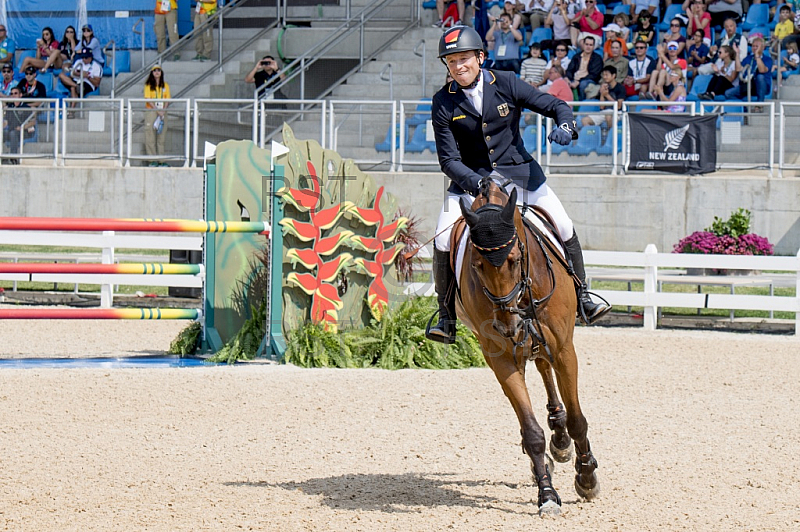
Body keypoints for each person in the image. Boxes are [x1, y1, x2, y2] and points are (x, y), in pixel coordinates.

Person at [426, 26, 610, 343]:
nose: (458, 67)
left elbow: (555, 105)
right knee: (442, 241)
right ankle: (446, 318)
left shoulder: (507, 82)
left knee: (563, 225)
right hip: (473, 182)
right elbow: (448, 160)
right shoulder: (443, 102)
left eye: (464, 59)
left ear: (480, 57)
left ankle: (583, 297)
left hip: (521, 175)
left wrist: (566, 125)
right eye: (452, 61)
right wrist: (477, 182)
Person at [723, 35, 772, 103]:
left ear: (763, 48)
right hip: (747, 85)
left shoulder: (767, 59)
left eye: (757, 46)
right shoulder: (748, 58)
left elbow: (762, 70)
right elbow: (738, 69)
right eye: (753, 46)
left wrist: (757, 56)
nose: (754, 48)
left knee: (760, 77)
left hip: (760, 86)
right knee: (728, 93)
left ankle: (759, 104)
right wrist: (737, 54)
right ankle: (743, 106)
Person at [144, 65, 171, 167]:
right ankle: (152, 160)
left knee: (161, 136)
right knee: (150, 135)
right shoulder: (148, 85)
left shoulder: (165, 85)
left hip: (162, 111)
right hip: (152, 110)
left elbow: (167, 99)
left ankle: (161, 160)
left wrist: (163, 110)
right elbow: (148, 98)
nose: (156, 72)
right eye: (154, 71)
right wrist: (157, 110)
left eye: (158, 70)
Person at [3, 87, 35, 164]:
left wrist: (22, 127)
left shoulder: (26, 107)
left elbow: (32, 122)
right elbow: (6, 122)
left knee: (13, 133)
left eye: (15, 93)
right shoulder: (9, 107)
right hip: (11, 130)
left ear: (20, 95)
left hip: (24, 131)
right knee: (4, 133)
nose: (13, 95)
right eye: (11, 94)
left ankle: (13, 157)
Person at [565, 35, 603, 100]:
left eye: (590, 45)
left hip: (588, 80)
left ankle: (582, 104)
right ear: (583, 45)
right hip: (574, 79)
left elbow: (594, 75)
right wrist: (567, 78)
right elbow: (570, 70)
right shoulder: (576, 57)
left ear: (593, 47)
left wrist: (579, 81)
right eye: (586, 44)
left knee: (583, 84)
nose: (588, 47)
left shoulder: (597, 58)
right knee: (562, 82)